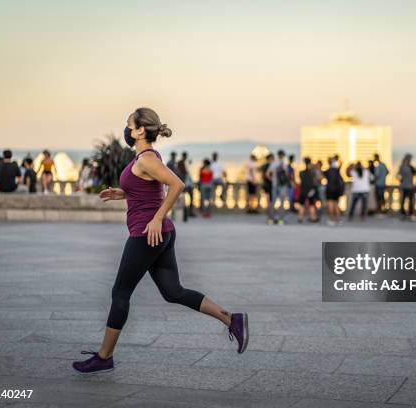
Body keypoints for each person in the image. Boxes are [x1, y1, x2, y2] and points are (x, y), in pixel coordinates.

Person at [72, 107, 248, 375]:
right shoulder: (146, 157)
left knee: (120, 294)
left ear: (141, 130)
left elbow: (177, 185)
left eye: (129, 124)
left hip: (148, 234)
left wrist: (156, 218)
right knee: (173, 291)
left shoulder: (146, 159)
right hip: (161, 234)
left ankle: (104, 356)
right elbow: (150, 189)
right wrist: (123, 193)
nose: (127, 129)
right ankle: (230, 319)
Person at [266, 149, 289, 225]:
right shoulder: (284, 164)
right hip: (282, 186)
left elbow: (267, 174)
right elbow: (287, 175)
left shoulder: (273, 163)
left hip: (275, 185)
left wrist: (272, 179)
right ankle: (281, 220)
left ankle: (271, 219)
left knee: (273, 202)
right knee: (282, 203)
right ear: (283, 156)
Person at [323, 156, 345, 226]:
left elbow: (321, 177)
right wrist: (337, 159)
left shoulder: (327, 171)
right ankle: (338, 219)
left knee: (330, 205)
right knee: (336, 204)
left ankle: (331, 219)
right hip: (336, 190)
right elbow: (341, 163)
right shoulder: (337, 170)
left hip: (329, 189)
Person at [297, 157, 318, 223]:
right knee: (311, 204)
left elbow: (300, 181)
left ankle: (300, 218)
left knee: (302, 204)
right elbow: (315, 181)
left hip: (303, 190)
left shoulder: (301, 172)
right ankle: (313, 218)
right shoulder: (313, 172)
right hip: (311, 190)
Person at [397, 154, 416, 220]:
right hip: (407, 186)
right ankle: (406, 213)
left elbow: (397, 175)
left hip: (407, 186)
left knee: (407, 200)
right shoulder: (407, 167)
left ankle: (406, 213)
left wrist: (401, 180)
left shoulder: (405, 167)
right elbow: (397, 175)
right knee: (405, 200)